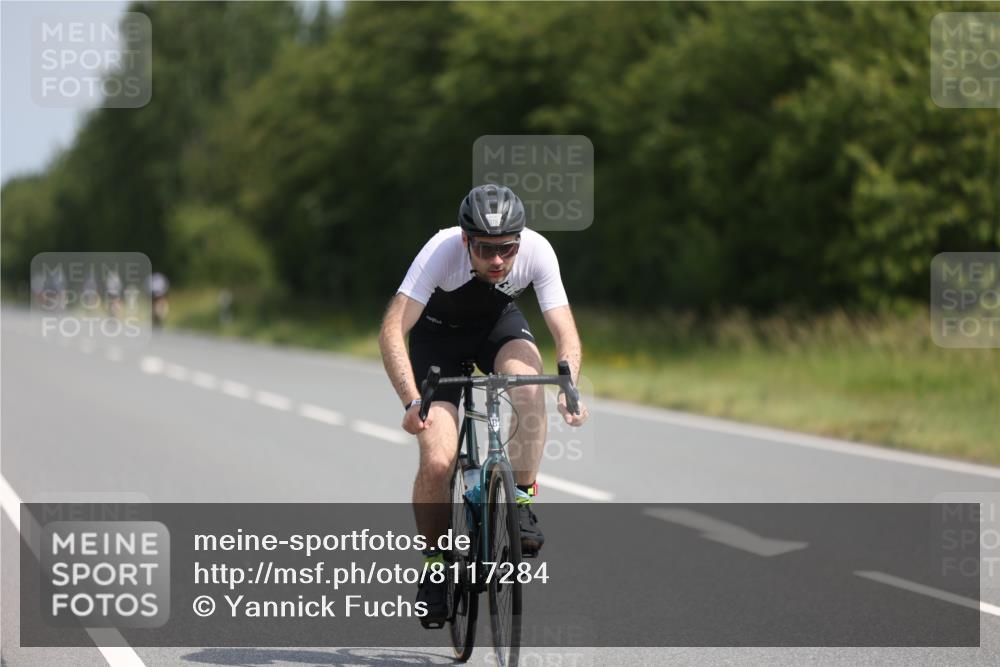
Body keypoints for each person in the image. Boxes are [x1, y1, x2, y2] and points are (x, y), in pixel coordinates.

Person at [378, 183, 589, 627]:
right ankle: (435, 567)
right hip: (436, 340)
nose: (498, 260)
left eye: (507, 249)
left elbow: (564, 330)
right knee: (438, 460)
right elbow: (392, 330)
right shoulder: (440, 251)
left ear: (520, 240)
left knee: (531, 390)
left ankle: (522, 498)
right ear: (465, 240)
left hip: (497, 327)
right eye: (486, 249)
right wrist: (411, 399)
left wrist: (568, 385)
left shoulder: (537, 250)